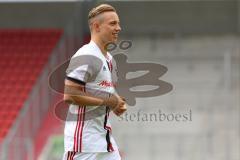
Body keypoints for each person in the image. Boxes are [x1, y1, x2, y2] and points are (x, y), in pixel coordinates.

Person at [62, 4, 126, 160]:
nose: (118, 28)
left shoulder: (109, 59)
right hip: (83, 143)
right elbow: (69, 95)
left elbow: (102, 91)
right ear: (96, 26)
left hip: (104, 140)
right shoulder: (86, 54)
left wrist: (116, 102)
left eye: (118, 23)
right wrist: (108, 101)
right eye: (112, 23)